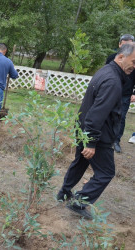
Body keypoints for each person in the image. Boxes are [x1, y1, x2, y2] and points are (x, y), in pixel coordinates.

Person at [57, 42, 135, 220]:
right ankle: (78, 202)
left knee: (80, 163)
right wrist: (91, 143)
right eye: (134, 61)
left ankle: (64, 193)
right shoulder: (113, 82)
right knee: (106, 172)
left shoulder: (106, 71)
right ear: (121, 57)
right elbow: (96, 114)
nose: (134, 66)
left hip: (84, 128)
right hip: (98, 135)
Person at [105, 34, 135, 153]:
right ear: (119, 44)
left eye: (130, 45)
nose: (127, 47)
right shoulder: (112, 58)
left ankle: (116, 141)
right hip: (111, 91)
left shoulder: (133, 60)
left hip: (125, 94)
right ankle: (103, 138)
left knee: (120, 118)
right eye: (124, 44)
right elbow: (106, 73)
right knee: (106, 113)